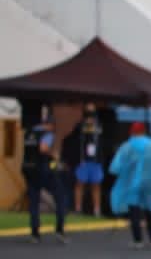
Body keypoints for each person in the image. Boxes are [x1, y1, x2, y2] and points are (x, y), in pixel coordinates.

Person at [108, 121, 151, 248]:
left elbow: (115, 167)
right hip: (150, 182)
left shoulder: (127, 146)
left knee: (134, 211)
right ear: (144, 131)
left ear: (132, 131)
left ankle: (137, 240)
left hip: (132, 183)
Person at [21, 105, 68, 243]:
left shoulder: (29, 132)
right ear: (50, 125)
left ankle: (35, 233)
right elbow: (43, 148)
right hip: (42, 170)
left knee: (34, 203)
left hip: (28, 169)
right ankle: (59, 230)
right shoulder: (47, 134)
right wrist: (54, 155)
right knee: (60, 197)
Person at [73, 102, 107, 218]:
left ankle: (97, 210)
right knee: (80, 184)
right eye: (88, 111)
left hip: (96, 160)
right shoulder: (80, 125)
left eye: (92, 111)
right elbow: (76, 140)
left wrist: (102, 159)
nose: (90, 115)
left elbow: (103, 142)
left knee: (96, 185)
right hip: (83, 160)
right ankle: (78, 209)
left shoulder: (100, 125)